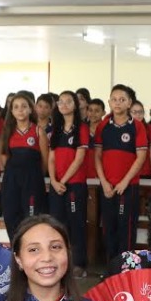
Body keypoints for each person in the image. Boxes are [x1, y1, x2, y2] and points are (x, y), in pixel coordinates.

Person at [94, 85, 148, 268]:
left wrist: (125, 181)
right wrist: (104, 182)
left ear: (129, 103)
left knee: (126, 229)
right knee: (109, 228)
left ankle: (126, 270)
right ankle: (111, 269)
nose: (117, 103)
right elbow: (97, 156)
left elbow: (141, 157)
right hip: (107, 187)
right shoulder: (103, 126)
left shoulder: (137, 127)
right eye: (114, 99)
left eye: (122, 99)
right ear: (109, 102)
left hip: (128, 187)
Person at [47, 90, 90, 278]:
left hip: (74, 185)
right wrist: (54, 181)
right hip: (57, 186)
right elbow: (51, 159)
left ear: (75, 105)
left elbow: (79, 159)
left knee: (76, 225)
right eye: (60, 101)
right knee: (57, 224)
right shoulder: (55, 129)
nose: (63, 104)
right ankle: (59, 262)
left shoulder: (81, 129)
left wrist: (62, 181)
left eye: (68, 101)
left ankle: (78, 263)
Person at [0, 92, 48, 235]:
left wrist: (35, 177)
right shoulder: (7, 132)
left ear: (31, 109)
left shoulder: (38, 132)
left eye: (24, 106)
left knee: (31, 219)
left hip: (32, 181)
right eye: (16, 107)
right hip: (11, 180)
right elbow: (4, 157)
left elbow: (44, 161)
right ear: (12, 111)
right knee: (11, 216)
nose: (20, 110)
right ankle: (15, 252)